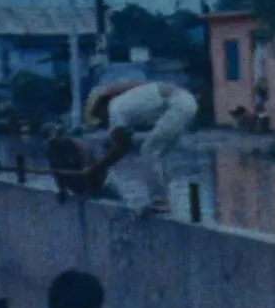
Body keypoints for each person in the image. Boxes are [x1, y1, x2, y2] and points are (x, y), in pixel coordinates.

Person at [83, 79, 200, 213]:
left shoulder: (114, 108)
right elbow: (124, 143)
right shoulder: (127, 100)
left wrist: (97, 168)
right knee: (159, 155)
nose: (103, 121)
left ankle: (159, 201)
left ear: (102, 106)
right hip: (187, 102)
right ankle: (166, 201)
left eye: (99, 116)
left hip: (178, 106)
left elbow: (122, 147)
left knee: (148, 150)